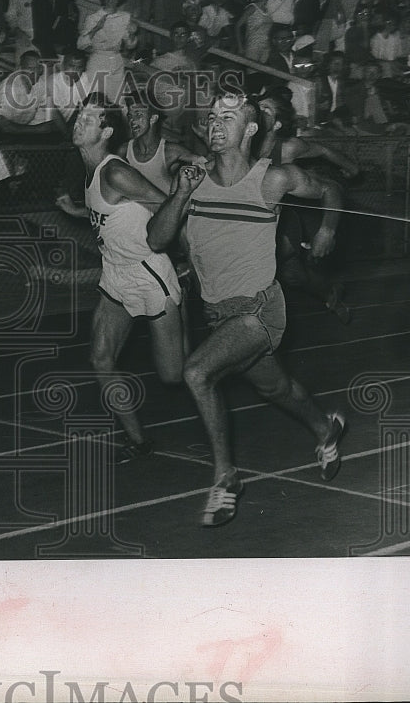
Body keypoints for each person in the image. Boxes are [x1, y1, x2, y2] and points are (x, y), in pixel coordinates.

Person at [146, 92, 347, 526]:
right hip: (218, 312)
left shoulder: (271, 179)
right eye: (213, 116)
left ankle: (226, 478)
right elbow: (157, 240)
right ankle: (325, 429)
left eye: (229, 117)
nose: (216, 123)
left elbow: (331, 186)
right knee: (275, 390)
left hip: (260, 310)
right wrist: (180, 194)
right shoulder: (193, 178)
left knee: (197, 372)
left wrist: (328, 227)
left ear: (250, 129)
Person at [54, 94, 186, 463]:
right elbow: (111, 215)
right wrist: (78, 210)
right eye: (79, 115)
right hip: (115, 274)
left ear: (106, 131)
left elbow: (167, 203)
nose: (79, 122)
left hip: (148, 274)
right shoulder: (91, 171)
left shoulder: (114, 170)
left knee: (174, 375)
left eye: (90, 119)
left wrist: (185, 249)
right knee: (100, 358)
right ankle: (138, 440)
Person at [254, 87, 356, 324]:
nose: (259, 111)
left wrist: (351, 167)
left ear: (277, 124)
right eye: (257, 106)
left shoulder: (286, 148)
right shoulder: (240, 142)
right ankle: (329, 292)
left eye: (265, 109)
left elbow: (322, 149)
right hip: (252, 220)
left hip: (281, 217)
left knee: (285, 267)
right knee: (291, 275)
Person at [77, 0, 138, 104]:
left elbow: (130, 45)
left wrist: (132, 34)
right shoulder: (93, 18)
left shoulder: (125, 17)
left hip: (117, 62)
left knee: (117, 102)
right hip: (98, 61)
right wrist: (96, 28)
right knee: (95, 101)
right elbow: (80, 44)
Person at [235, 0, 273, 64]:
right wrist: (240, 47)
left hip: (266, 48)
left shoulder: (268, 10)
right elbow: (237, 26)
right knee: (252, 73)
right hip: (253, 46)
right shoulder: (252, 8)